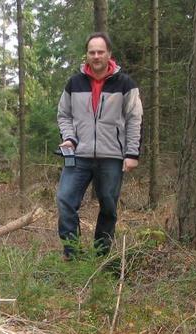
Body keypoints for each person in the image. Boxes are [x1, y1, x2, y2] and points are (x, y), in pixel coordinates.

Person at [56, 32, 143, 259]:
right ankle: (72, 253)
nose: (96, 56)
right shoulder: (74, 83)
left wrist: (132, 153)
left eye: (100, 52)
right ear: (87, 54)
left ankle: (101, 255)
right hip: (78, 154)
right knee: (65, 199)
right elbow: (64, 114)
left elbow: (134, 118)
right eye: (92, 52)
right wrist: (69, 137)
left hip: (112, 156)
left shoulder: (125, 83)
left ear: (109, 54)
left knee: (108, 207)